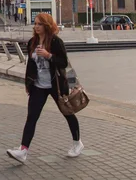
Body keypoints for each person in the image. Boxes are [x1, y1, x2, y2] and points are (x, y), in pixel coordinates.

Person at [7, 13, 83, 163]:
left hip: (56, 86)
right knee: (31, 118)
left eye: (39, 24)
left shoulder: (55, 42)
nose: (36, 27)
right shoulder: (32, 42)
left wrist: (48, 55)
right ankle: (23, 151)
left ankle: (77, 143)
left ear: (47, 25)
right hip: (38, 86)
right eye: (35, 24)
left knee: (67, 112)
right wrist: (28, 84)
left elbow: (63, 63)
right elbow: (30, 65)